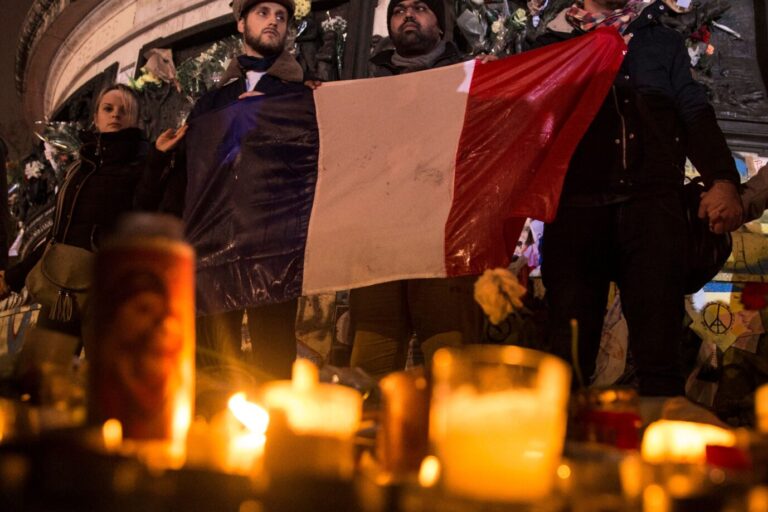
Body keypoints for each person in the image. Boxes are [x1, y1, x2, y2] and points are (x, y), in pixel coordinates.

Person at [536, 0, 743, 397]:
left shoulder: (662, 42)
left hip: (652, 212)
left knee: (659, 356)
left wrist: (722, 179)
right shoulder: (552, 43)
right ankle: (564, 453)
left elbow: (694, 110)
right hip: (576, 214)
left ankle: (659, 452)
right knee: (567, 358)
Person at [138, 0, 305, 378]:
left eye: (281, 16)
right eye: (263, 13)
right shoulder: (210, 104)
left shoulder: (301, 95)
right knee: (211, 368)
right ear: (240, 23)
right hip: (214, 250)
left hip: (273, 249)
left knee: (274, 367)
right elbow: (189, 181)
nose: (273, 22)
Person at [347, 0, 485, 379]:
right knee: (369, 372)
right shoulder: (367, 86)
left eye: (419, 7)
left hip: (442, 245)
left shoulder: (468, 79)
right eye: (398, 10)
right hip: (380, 249)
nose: (407, 14)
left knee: (449, 371)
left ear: (439, 25)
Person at [24, 84, 149, 341]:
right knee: (44, 374)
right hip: (62, 288)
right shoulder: (78, 170)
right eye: (108, 108)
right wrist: (14, 276)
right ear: (96, 118)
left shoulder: (143, 164)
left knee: (104, 375)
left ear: (136, 120)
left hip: (109, 290)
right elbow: (58, 231)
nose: (115, 114)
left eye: (124, 110)